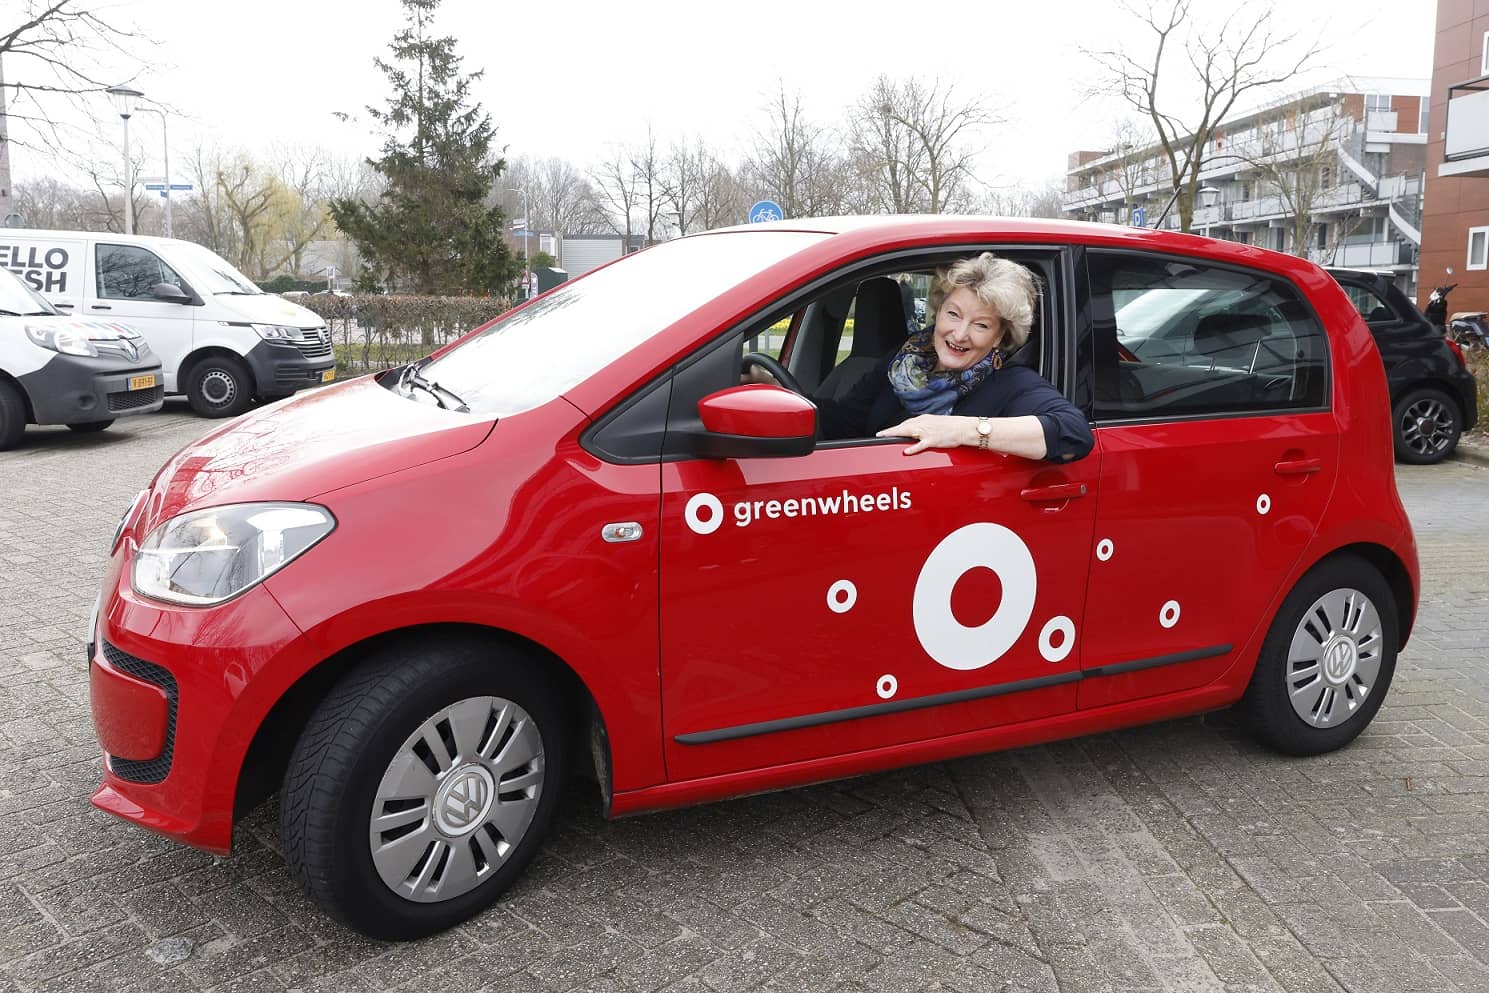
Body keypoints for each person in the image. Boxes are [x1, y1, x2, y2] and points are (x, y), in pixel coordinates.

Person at [810, 254, 1093, 462]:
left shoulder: (1011, 383)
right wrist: (778, 389)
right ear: (938, 310)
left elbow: (1073, 432)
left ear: (999, 337)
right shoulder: (904, 361)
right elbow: (844, 421)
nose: (959, 334)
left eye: (981, 325)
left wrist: (961, 430)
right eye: (953, 314)